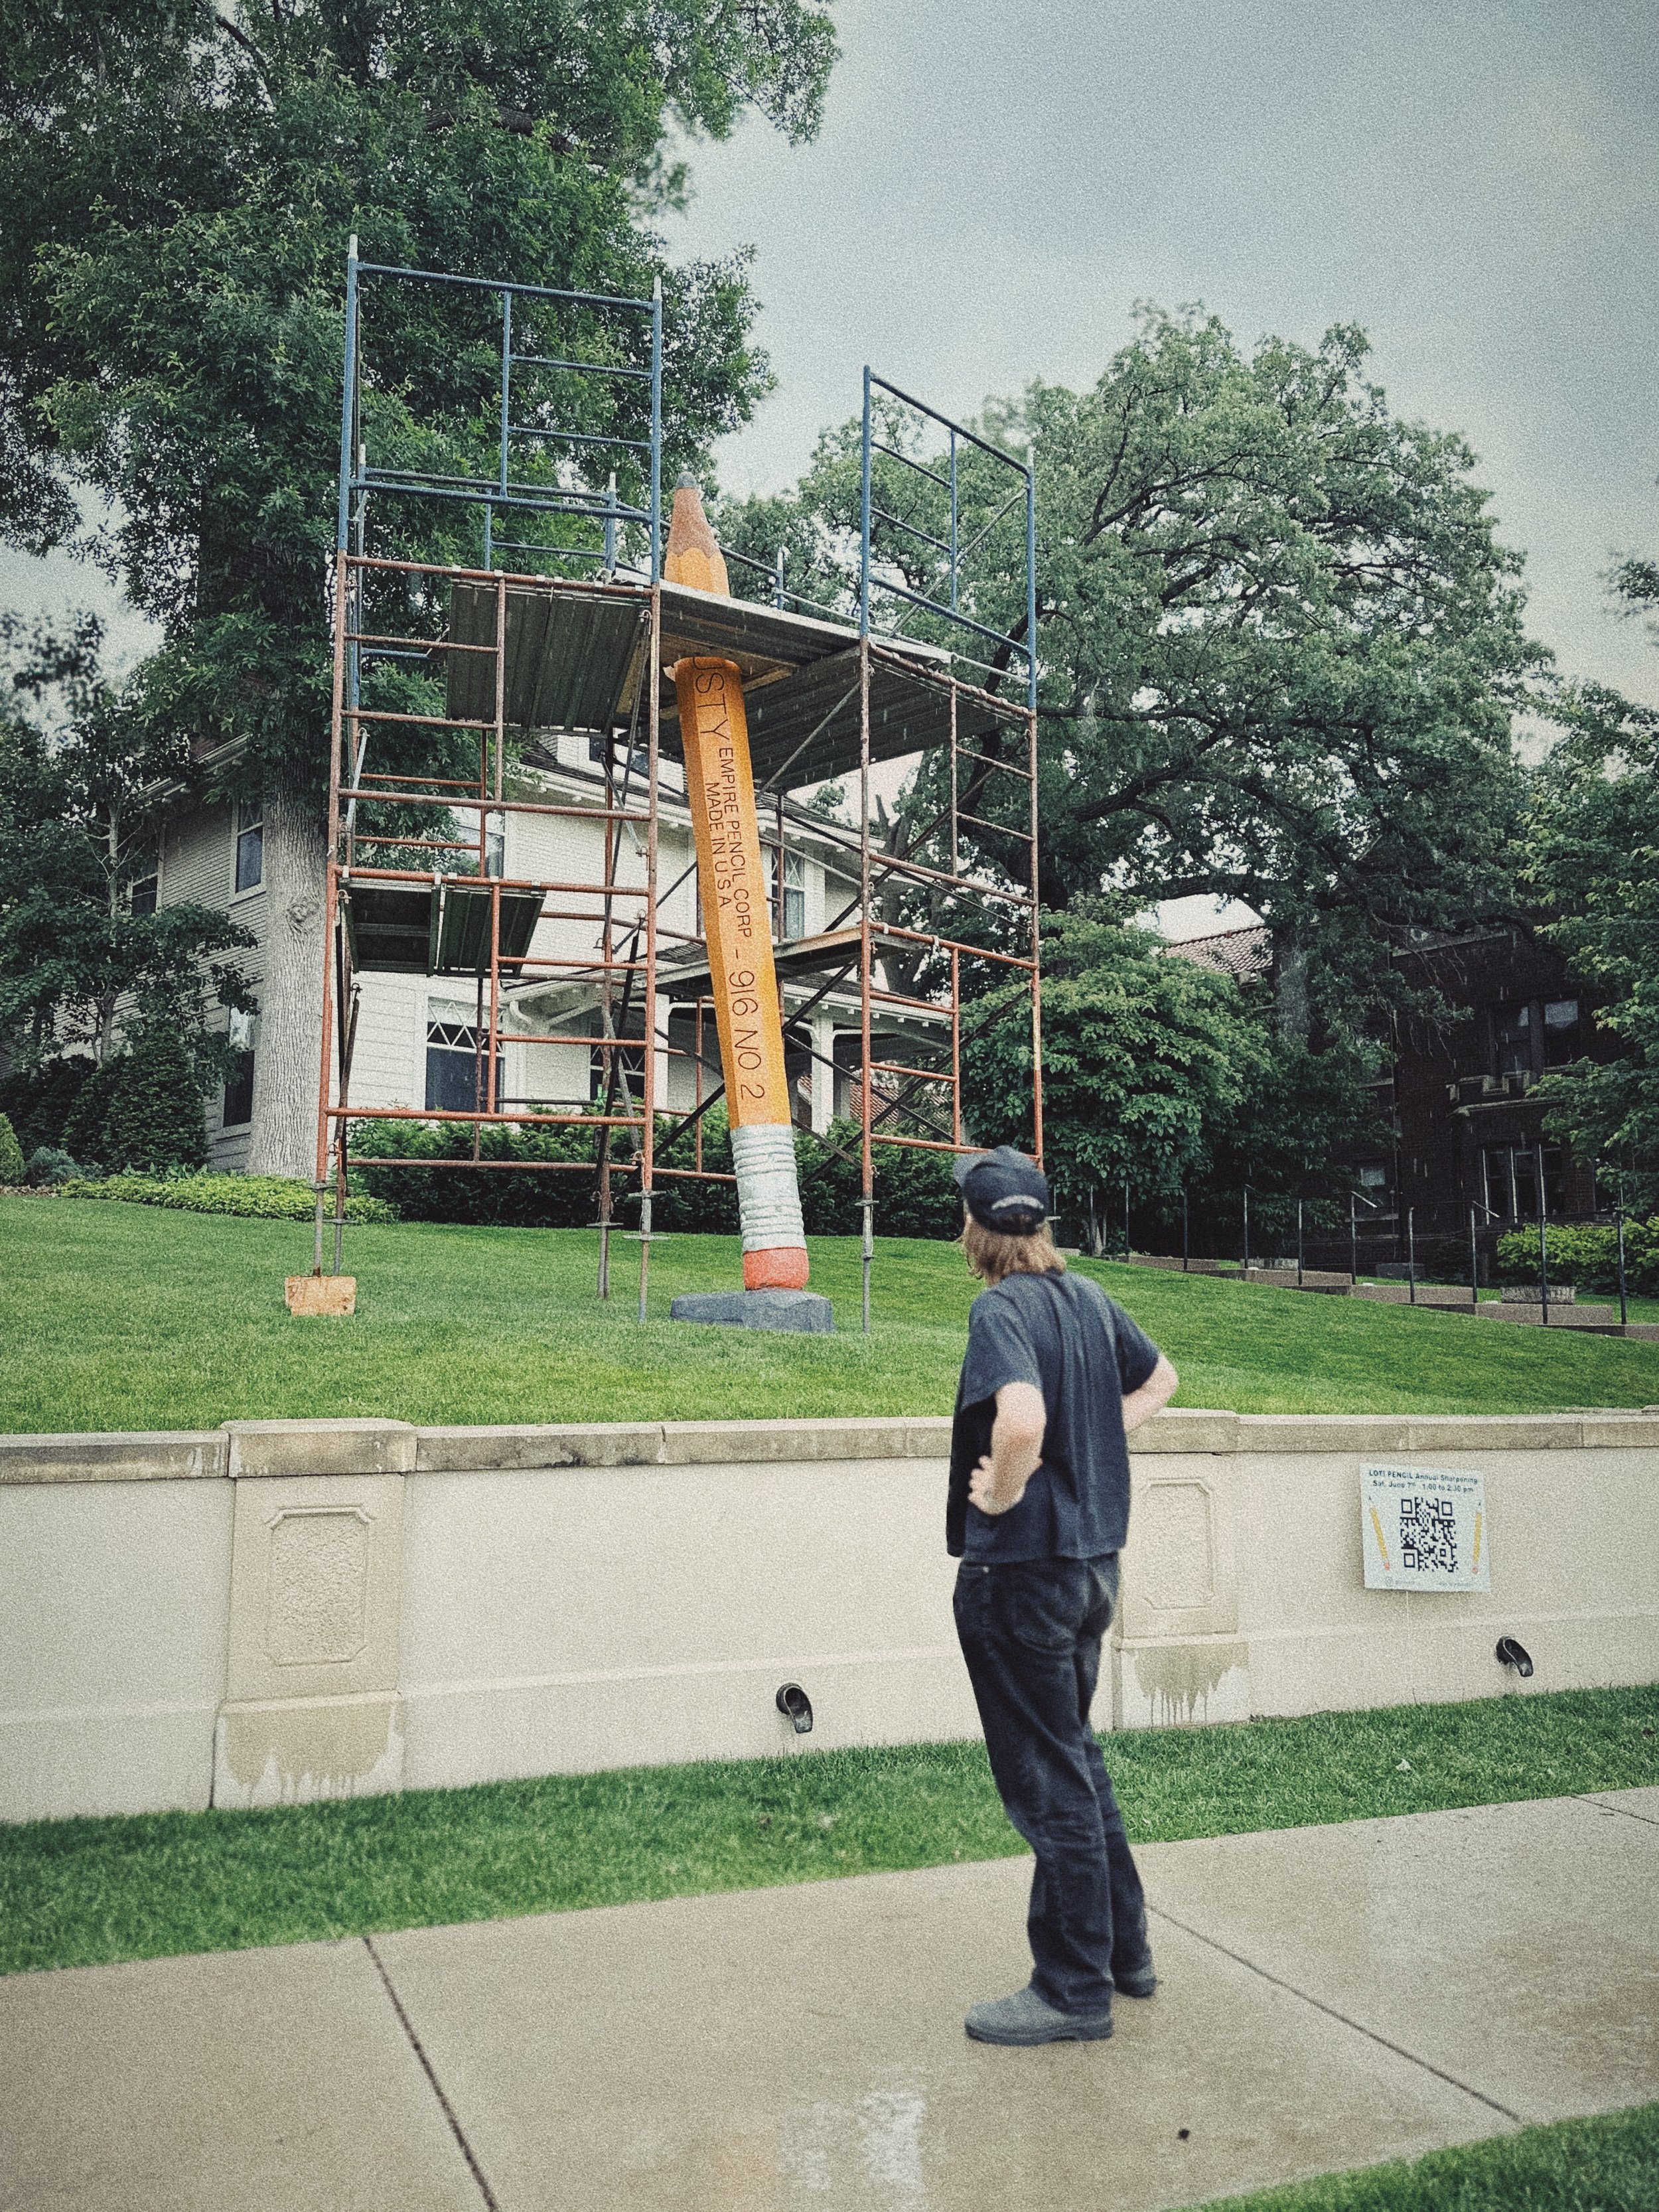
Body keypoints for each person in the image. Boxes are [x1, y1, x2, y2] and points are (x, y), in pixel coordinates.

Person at [948, 1145, 1179, 2045]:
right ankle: (1126, 1952)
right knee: (1075, 1754)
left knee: (1050, 1781)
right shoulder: (1088, 1298)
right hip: (1092, 1572)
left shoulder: (999, 1308)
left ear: (975, 1227)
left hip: (1026, 1574)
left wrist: (1005, 1491)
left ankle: (1072, 1986)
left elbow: (1024, 1420)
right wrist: (1097, 1438)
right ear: (1039, 1223)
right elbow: (1160, 1379)